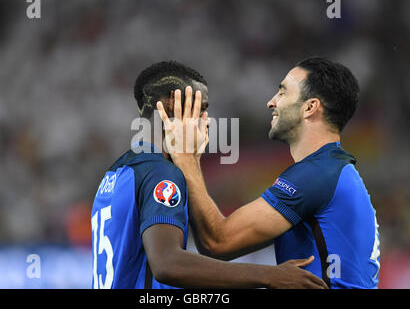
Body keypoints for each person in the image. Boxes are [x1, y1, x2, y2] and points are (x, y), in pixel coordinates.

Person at [91, 60, 327, 289]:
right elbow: (167, 264)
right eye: (201, 109)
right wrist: (271, 276)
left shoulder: (117, 172)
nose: (208, 122)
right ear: (173, 105)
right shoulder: (161, 174)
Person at [157, 57, 380, 289]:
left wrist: (185, 157)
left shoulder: (318, 174)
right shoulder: (331, 170)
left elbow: (217, 242)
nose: (271, 102)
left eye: (282, 93)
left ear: (310, 107)